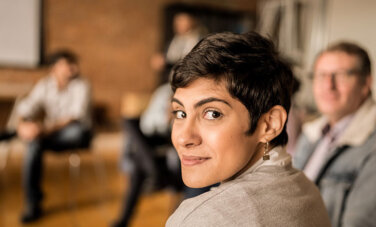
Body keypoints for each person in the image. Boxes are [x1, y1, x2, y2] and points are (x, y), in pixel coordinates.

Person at [166, 32, 331, 226]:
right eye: (180, 113)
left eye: (212, 114)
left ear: (270, 124)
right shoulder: (306, 189)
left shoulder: (202, 218)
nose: (184, 138)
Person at [293, 42, 376, 226]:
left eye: (341, 76)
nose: (329, 85)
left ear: (366, 83)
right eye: (321, 75)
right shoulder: (312, 134)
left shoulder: (372, 145)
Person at [16, 50, 92, 223]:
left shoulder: (82, 85)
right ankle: (33, 203)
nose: (73, 67)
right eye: (68, 63)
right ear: (54, 69)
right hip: (50, 134)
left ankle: (36, 136)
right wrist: (23, 126)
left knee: (67, 132)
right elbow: (25, 108)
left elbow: (74, 117)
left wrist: (42, 129)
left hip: (78, 133)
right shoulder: (45, 85)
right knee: (33, 144)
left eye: (74, 63)